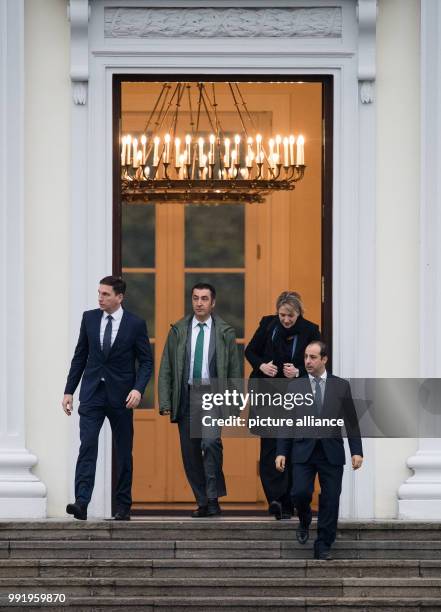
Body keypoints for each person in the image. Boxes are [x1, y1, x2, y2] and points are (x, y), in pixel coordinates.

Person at [62, 276, 153, 521]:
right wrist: (69, 390)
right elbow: (80, 356)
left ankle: (123, 505)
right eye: (99, 293)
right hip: (92, 394)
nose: (100, 298)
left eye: (105, 294)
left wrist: (138, 389)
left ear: (119, 297)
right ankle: (81, 502)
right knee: (88, 445)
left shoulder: (135, 324)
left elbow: (146, 362)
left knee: (123, 451)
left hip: (123, 397)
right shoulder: (89, 318)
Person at [158, 282, 241, 517]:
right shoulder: (178, 330)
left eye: (204, 299)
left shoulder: (225, 332)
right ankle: (203, 502)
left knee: (210, 443)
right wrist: (165, 401)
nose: (199, 303)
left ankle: (213, 497)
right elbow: (166, 368)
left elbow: (235, 370)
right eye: (195, 298)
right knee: (191, 452)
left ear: (213, 303)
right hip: (186, 396)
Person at [276, 341, 363, 560]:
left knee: (331, 499)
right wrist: (281, 452)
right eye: (306, 356)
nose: (307, 361)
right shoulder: (295, 387)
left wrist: (356, 450)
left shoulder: (341, 386)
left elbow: (351, 421)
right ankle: (305, 519)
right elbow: (287, 422)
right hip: (303, 451)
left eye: (313, 357)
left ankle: (323, 544)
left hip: (331, 452)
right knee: (300, 493)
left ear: (324, 359)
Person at [245, 291, 320, 519]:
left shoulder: (310, 330)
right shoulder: (268, 324)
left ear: (299, 313)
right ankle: (276, 500)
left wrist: (299, 371)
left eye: (291, 315)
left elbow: (317, 362)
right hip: (266, 394)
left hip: (294, 397)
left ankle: (291, 500)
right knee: (269, 448)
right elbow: (250, 351)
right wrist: (262, 367)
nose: (286, 320)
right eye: (282, 315)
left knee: (290, 446)